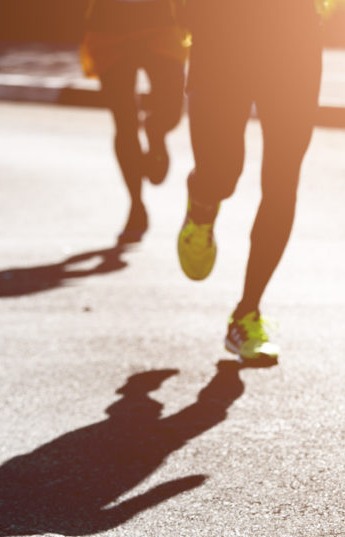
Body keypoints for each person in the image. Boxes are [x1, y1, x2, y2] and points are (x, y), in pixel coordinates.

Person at [175, 0, 324, 366]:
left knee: (282, 180)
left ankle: (247, 312)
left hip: (294, 37)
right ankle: (203, 203)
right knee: (221, 173)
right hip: (221, 32)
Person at [81, 0, 187, 244]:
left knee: (172, 110)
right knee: (124, 120)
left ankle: (155, 130)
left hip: (160, 22)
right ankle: (136, 205)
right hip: (108, 26)